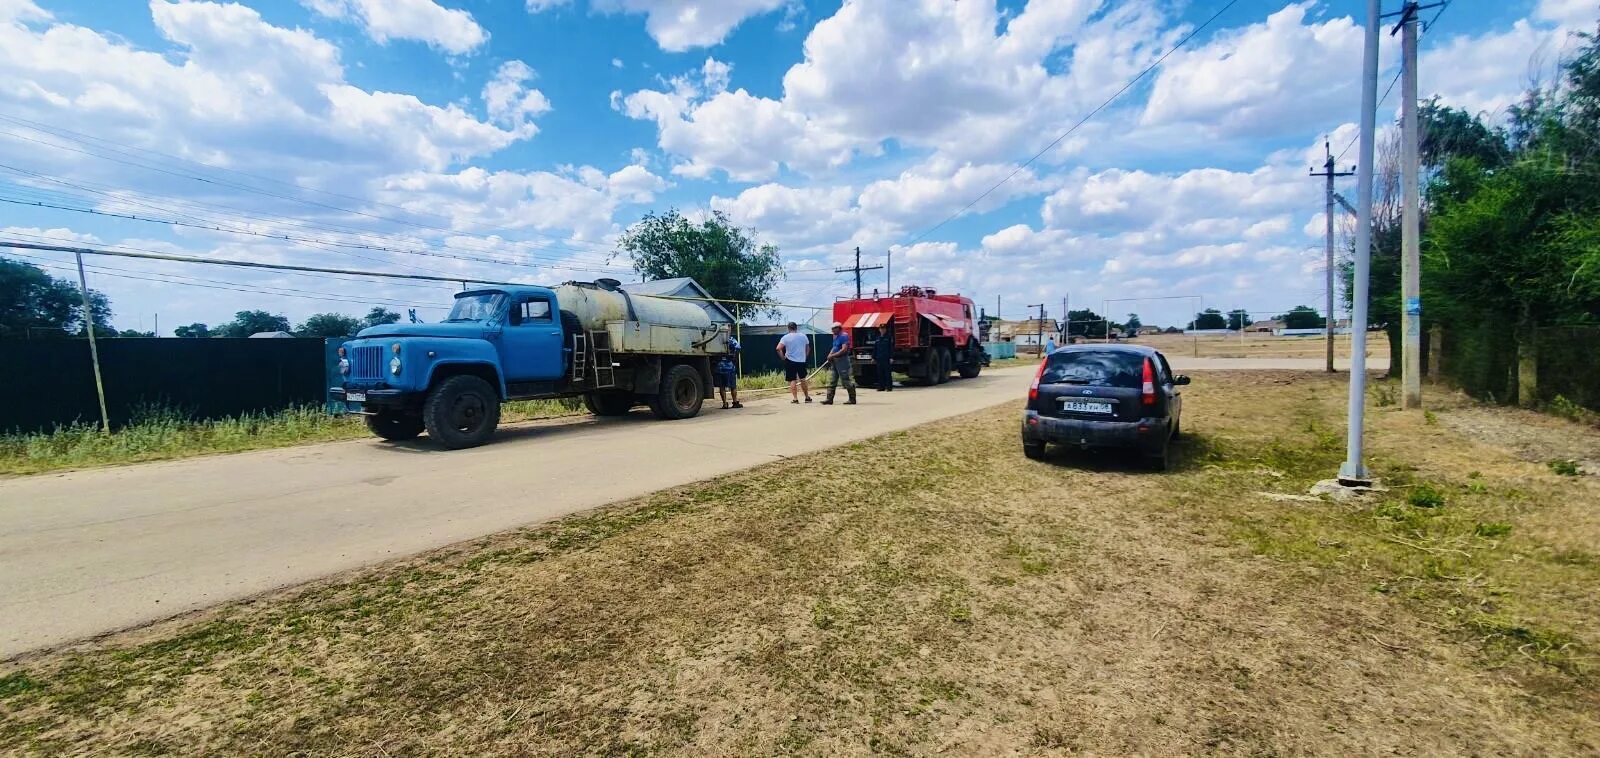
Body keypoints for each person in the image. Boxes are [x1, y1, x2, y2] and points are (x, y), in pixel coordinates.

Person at [777, 321, 813, 404]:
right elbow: (808, 348)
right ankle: (807, 397)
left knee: (792, 380)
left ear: (788, 328)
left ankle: (795, 399)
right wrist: (805, 357)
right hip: (801, 361)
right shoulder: (803, 336)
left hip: (790, 360)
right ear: (796, 328)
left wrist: (783, 357)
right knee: (803, 379)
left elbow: (778, 348)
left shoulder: (785, 337)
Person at [821, 321, 857, 405]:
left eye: (834, 329)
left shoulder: (844, 336)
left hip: (842, 360)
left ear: (838, 328)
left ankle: (852, 399)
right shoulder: (836, 337)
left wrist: (832, 356)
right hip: (835, 361)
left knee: (846, 379)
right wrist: (830, 354)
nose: (832, 331)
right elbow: (834, 347)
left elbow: (844, 349)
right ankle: (829, 399)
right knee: (832, 380)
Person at [715, 334, 742, 409]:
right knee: (733, 386)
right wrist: (734, 360)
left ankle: (725, 403)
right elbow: (738, 347)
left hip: (719, 367)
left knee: (722, 386)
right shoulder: (731, 340)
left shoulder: (716, 340)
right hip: (730, 367)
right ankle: (735, 402)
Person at [872, 323, 895, 392]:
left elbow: (891, 348)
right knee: (880, 373)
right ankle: (881, 387)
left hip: (886, 358)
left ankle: (889, 387)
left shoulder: (888, 338)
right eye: (881, 329)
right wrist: (873, 357)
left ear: (886, 329)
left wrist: (891, 357)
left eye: (884, 329)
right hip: (879, 358)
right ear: (879, 330)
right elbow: (875, 348)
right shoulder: (878, 338)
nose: (882, 330)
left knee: (887, 373)